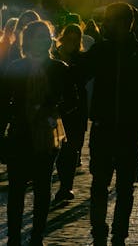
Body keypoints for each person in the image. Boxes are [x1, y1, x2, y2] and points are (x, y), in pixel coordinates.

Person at [84, 2, 138, 246]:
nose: (109, 25)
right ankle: (99, 229)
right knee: (100, 182)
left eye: (112, 20)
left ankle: (119, 232)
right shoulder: (100, 50)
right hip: (104, 124)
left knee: (124, 184)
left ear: (126, 23)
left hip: (129, 126)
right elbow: (78, 75)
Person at [0, 19, 75, 246]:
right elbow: (2, 104)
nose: (42, 41)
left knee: (43, 190)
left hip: (46, 135)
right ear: (28, 40)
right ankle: (14, 237)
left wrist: (51, 107)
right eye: (37, 36)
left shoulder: (59, 68)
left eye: (46, 36)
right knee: (16, 191)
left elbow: (73, 101)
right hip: (20, 133)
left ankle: (37, 237)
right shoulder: (16, 68)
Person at [52, 22, 88, 204]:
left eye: (76, 39)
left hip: (77, 108)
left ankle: (67, 185)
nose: (72, 42)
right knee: (61, 146)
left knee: (72, 147)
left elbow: (82, 82)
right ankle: (64, 186)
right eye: (69, 38)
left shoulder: (81, 59)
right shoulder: (54, 56)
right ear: (63, 38)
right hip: (58, 109)